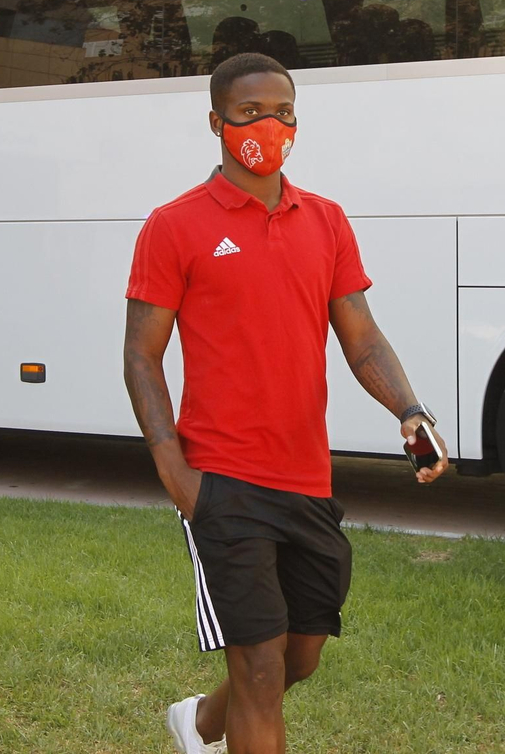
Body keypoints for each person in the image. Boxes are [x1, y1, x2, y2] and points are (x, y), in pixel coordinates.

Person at [122, 51, 450, 754]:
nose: (269, 126)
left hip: (305, 476)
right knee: (261, 667)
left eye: (283, 112)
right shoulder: (174, 224)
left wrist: (411, 411)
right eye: (250, 113)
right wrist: (175, 471)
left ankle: (201, 723)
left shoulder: (325, 220)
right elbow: (141, 355)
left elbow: (360, 335)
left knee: (300, 655)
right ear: (216, 122)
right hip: (222, 478)